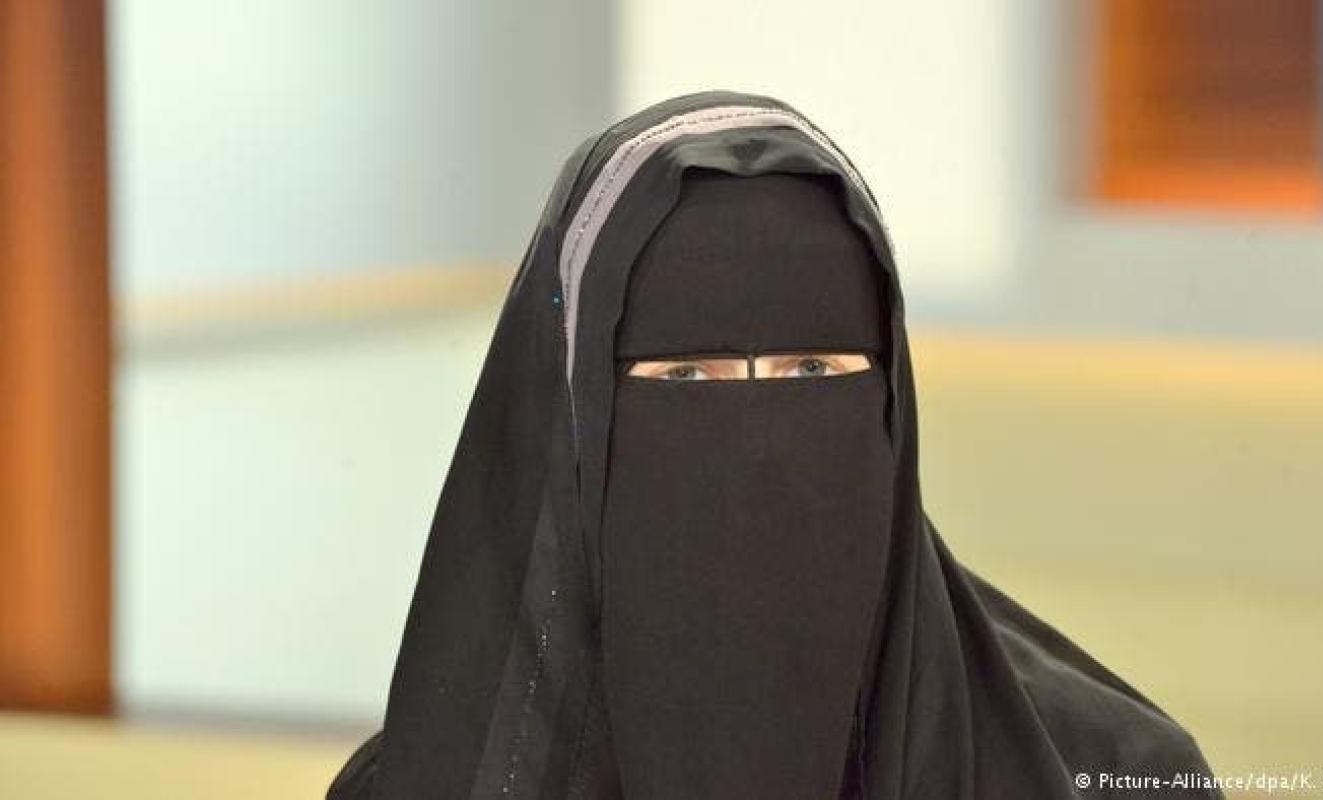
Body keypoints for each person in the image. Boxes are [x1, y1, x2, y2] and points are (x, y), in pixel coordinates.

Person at [329, 91, 1222, 799]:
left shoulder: (1109, 773)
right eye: (686, 377)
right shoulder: (448, 777)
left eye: (812, 370)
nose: (757, 447)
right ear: (572, 422)